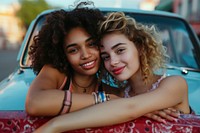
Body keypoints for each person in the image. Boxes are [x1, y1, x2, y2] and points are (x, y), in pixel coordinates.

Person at [33, 12, 191, 133]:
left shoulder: (175, 84)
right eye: (105, 56)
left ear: (140, 47)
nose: (113, 62)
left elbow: (130, 109)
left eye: (120, 50)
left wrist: (55, 126)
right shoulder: (120, 95)